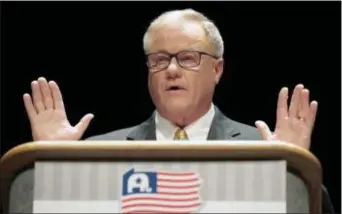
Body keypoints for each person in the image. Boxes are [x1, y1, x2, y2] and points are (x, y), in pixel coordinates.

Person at [22, 9, 334, 213]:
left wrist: (294, 170)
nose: (171, 70)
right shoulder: (96, 155)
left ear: (218, 69)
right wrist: (51, 169)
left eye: (188, 57)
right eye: (159, 59)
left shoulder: (265, 152)